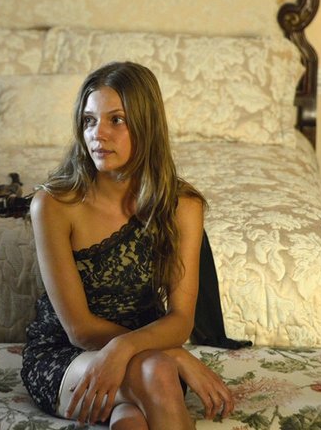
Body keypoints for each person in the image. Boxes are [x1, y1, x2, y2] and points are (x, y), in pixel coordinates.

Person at [21, 61, 234, 429]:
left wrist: (129, 348)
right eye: (89, 121)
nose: (98, 134)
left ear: (147, 125)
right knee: (158, 373)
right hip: (67, 355)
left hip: (149, 350)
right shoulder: (53, 205)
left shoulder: (183, 206)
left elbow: (181, 320)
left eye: (116, 120)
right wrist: (176, 356)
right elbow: (79, 329)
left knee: (132, 417)